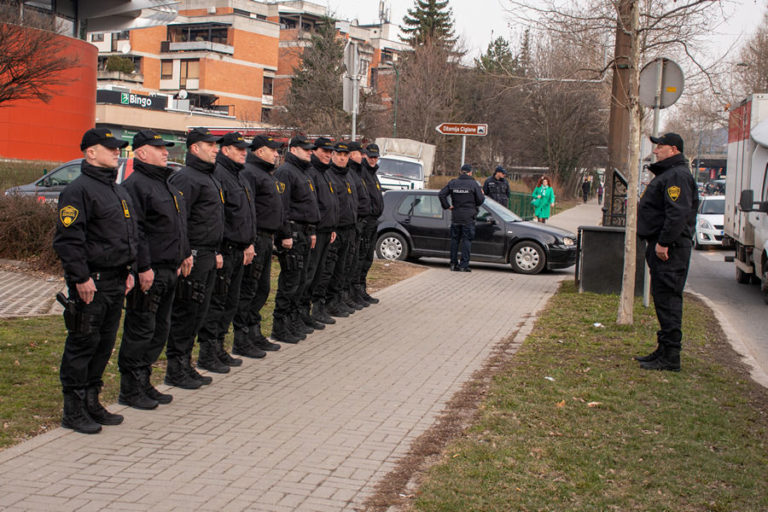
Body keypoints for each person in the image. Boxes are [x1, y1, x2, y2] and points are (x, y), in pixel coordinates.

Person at [53, 127, 136, 434]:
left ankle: (91, 401)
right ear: (90, 152)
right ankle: (73, 409)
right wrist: (81, 277)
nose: (116, 152)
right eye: (110, 148)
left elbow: (127, 235)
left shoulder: (117, 190)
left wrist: (129, 270)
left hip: (116, 280)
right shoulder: (78, 191)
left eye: (117, 148)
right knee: (82, 344)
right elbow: (69, 239)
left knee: (103, 345)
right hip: (92, 284)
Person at [118, 130, 192, 410]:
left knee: (160, 329)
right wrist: (143, 266)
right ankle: (130, 388)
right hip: (150, 272)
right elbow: (135, 231)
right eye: (158, 148)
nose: (165, 152)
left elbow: (177, 225)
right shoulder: (136, 185)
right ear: (141, 152)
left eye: (165, 148)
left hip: (170, 269)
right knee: (141, 330)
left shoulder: (166, 183)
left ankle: (144, 380)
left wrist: (184, 254)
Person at [165, 128, 224, 390]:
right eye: (209, 145)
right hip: (193, 256)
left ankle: (186, 364)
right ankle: (175, 368)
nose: (215, 149)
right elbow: (179, 221)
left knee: (199, 312)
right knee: (186, 312)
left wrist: (217, 250)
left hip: (208, 254)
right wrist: (185, 252)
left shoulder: (209, 177)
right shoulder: (186, 178)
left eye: (215, 145)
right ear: (194, 148)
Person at [636, 132, 698, 372]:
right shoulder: (670, 174)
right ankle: (664, 350)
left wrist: (663, 242)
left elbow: (677, 214)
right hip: (664, 247)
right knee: (662, 299)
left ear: (673, 149)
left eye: (660, 146)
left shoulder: (677, 176)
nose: (655, 150)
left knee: (669, 300)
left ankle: (671, 356)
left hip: (670, 250)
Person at [197, 132, 256, 372]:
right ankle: (207, 353)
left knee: (230, 303)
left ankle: (219, 347)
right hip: (224, 251)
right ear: (226, 150)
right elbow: (219, 217)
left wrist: (249, 242)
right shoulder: (219, 174)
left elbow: (245, 214)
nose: (244, 152)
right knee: (217, 304)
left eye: (245, 149)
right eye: (238, 149)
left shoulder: (239, 175)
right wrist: (218, 250)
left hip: (239, 249)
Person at [233, 135, 290, 354]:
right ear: (259, 151)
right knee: (249, 289)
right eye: (272, 150)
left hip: (267, 238)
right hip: (255, 238)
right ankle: (242, 338)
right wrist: (250, 241)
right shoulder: (250, 173)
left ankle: (254, 332)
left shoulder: (267, 174)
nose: (276, 154)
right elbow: (249, 209)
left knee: (262, 289)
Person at [272, 135, 320, 342]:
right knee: (290, 282)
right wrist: (285, 234)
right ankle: (280, 326)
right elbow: (281, 206)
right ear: (293, 150)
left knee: (301, 281)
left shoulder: (304, 172)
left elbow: (309, 205)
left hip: (304, 232)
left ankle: (292, 321)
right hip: (293, 232)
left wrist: (312, 231)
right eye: (305, 149)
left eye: (310, 149)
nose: (310, 152)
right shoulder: (286, 172)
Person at [302, 137, 340, 327]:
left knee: (319, 274)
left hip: (326, 231)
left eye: (330, 152)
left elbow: (330, 203)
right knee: (309, 275)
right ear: (314, 151)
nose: (328, 155)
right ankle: (303, 312)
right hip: (315, 232)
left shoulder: (326, 173)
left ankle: (313, 310)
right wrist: (313, 230)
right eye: (324, 151)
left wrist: (332, 227)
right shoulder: (312, 172)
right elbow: (311, 205)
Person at [324, 141, 360, 315]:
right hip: (336, 230)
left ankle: (337, 300)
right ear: (333, 155)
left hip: (349, 228)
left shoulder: (348, 175)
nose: (342, 158)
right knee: (330, 269)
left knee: (343, 268)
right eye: (339, 154)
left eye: (345, 155)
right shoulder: (329, 175)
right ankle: (327, 303)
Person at [352, 142, 384, 305]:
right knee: (360, 257)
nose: (373, 160)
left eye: (375, 157)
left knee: (367, 258)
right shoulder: (362, 172)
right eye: (371, 157)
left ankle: (362, 289)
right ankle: (355, 291)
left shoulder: (373, 173)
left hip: (373, 221)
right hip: (365, 221)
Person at [438, 163, 485, 272]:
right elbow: (480, 200)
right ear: (470, 173)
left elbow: (441, 194)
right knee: (466, 240)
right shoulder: (473, 184)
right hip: (468, 217)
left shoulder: (453, 183)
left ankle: (453, 264)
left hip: (456, 216)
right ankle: (464, 265)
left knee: (454, 240)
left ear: (460, 172)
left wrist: (447, 206)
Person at [346, 141, 371, 310]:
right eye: (359, 153)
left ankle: (351, 294)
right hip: (350, 224)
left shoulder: (359, 172)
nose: (363, 156)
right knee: (345, 265)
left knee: (355, 261)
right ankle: (339, 298)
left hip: (360, 223)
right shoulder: (349, 173)